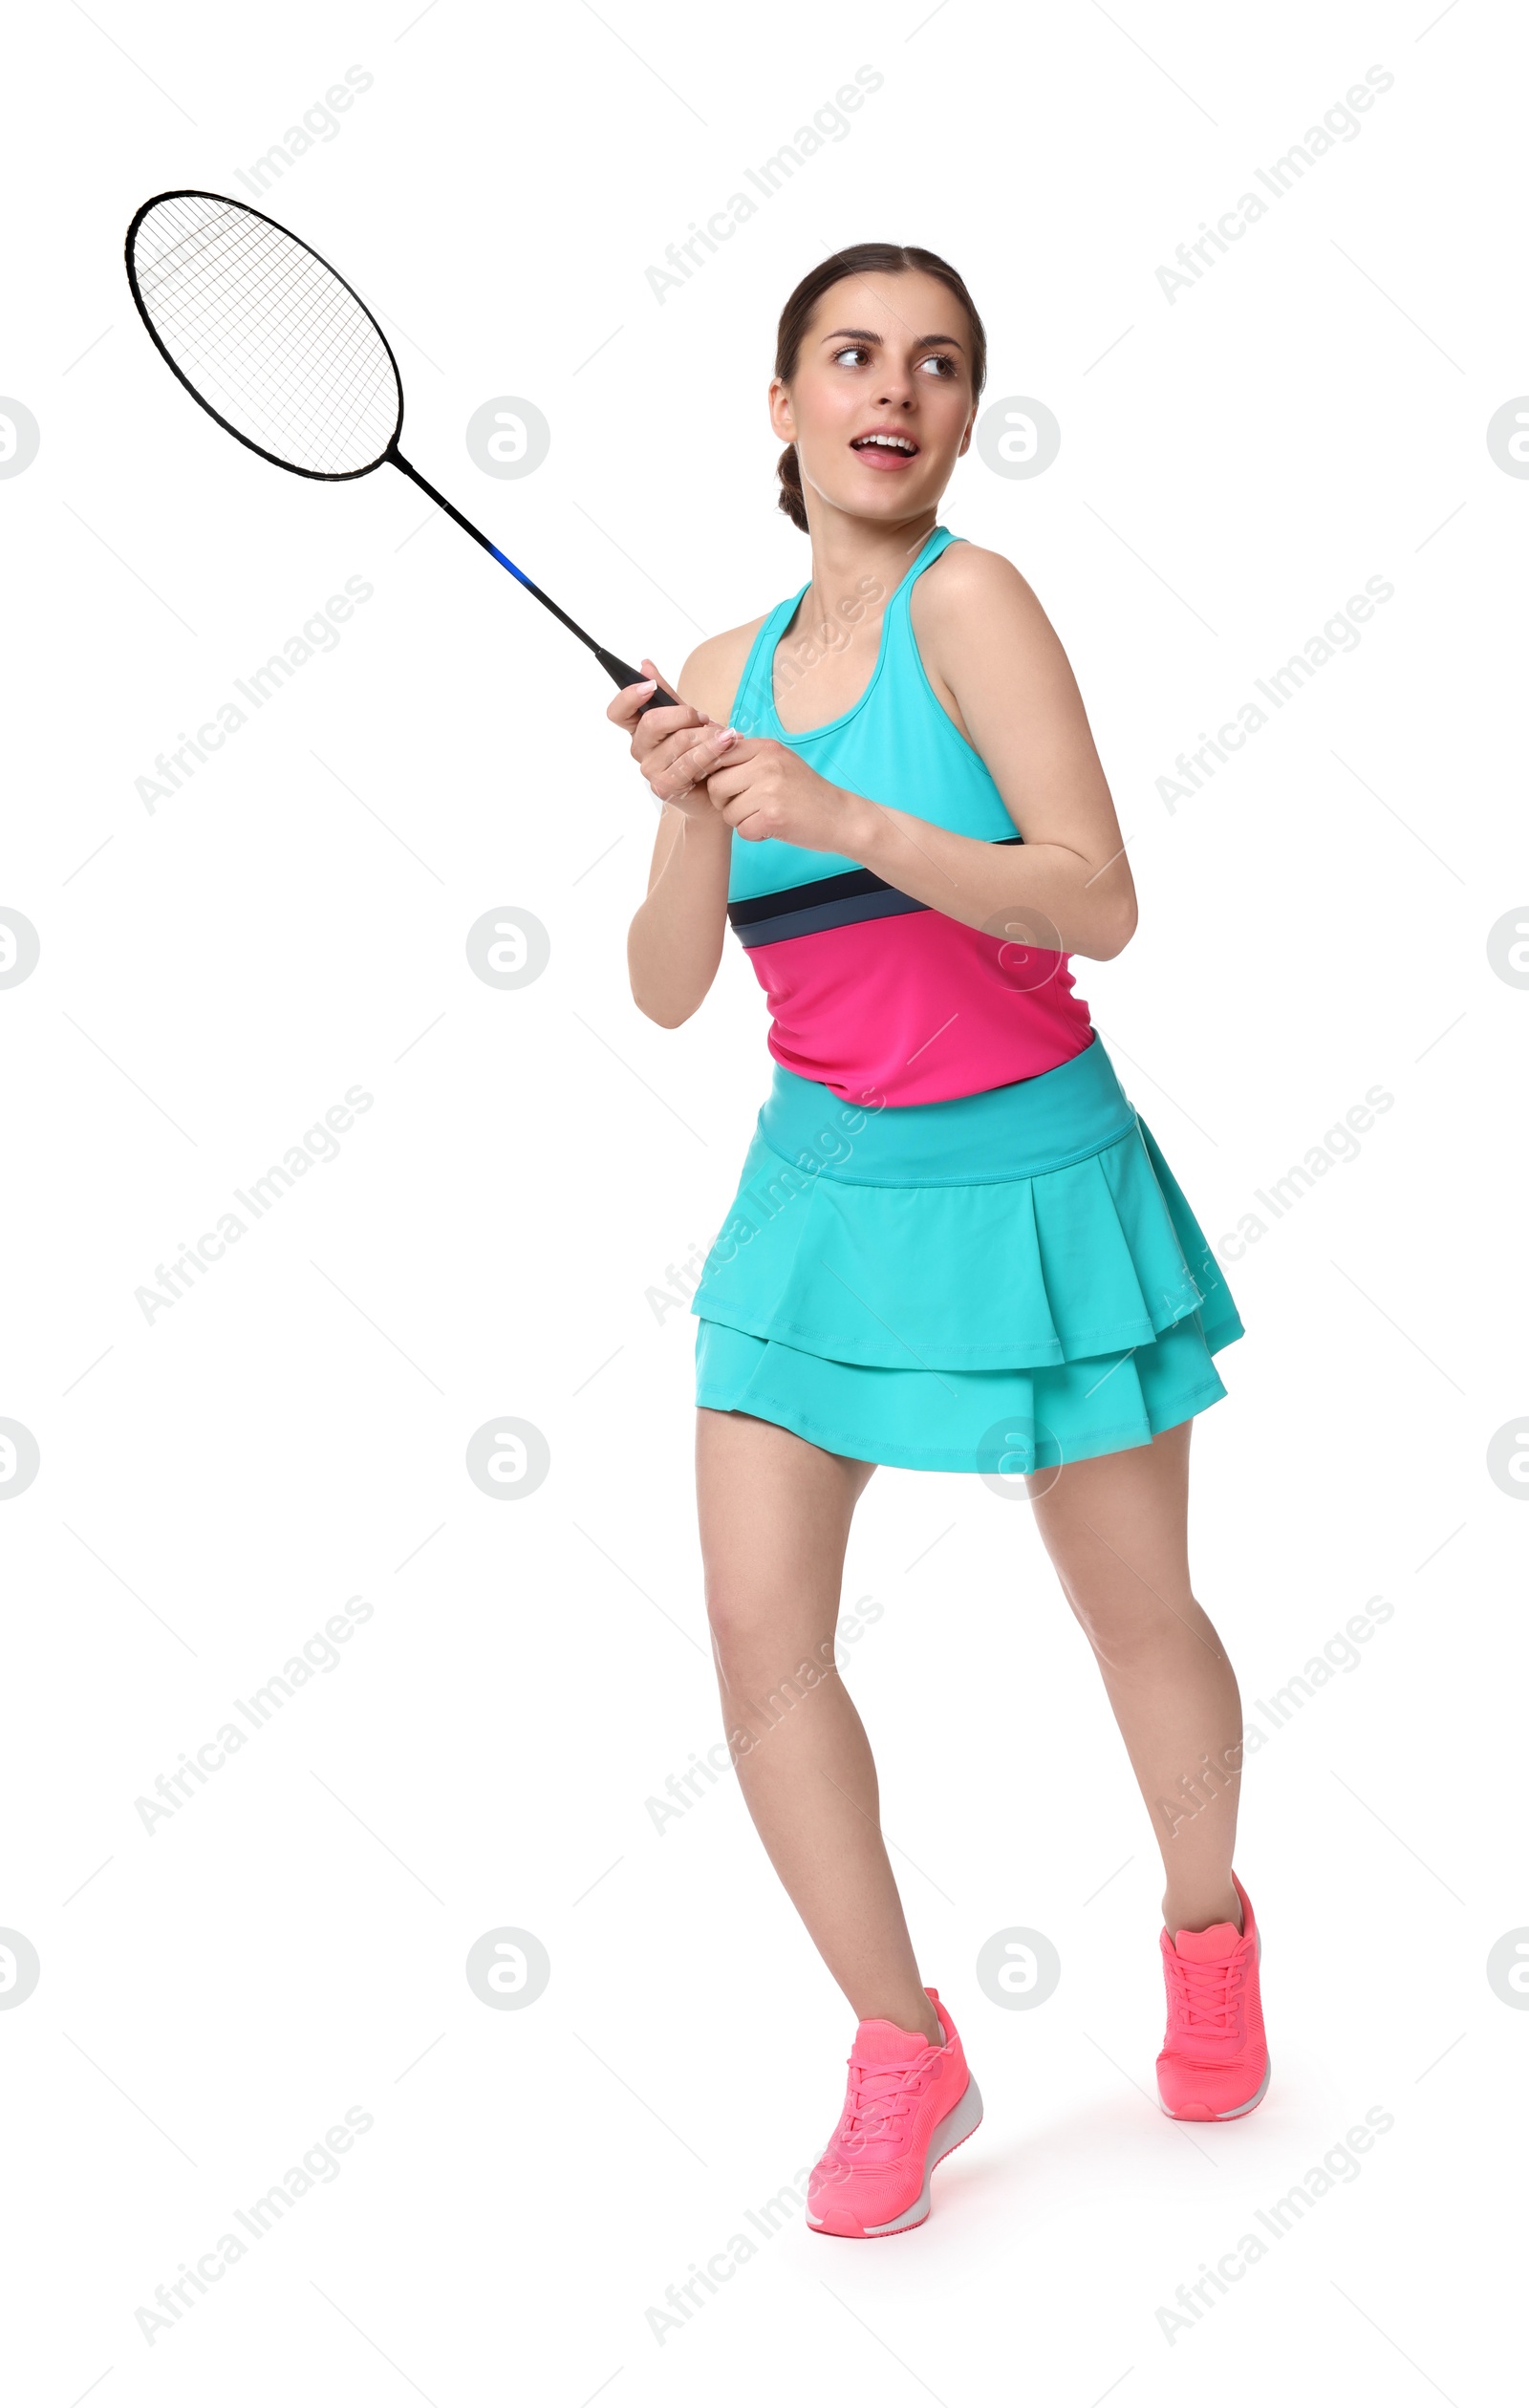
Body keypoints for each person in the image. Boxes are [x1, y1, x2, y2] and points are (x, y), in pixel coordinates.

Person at [609, 243, 1266, 2240]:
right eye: (851, 356)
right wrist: (683, 809)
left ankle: (1204, 1923)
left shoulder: (970, 601)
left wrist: (847, 814)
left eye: (939, 365)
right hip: (817, 1199)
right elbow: (660, 988)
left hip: (1034, 1184)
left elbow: (1094, 900)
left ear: (962, 416)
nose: (894, 391)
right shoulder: (716, 665)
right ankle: (902, 2049)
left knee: (1129, 1611)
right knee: (752, 1635)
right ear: (781, 401)